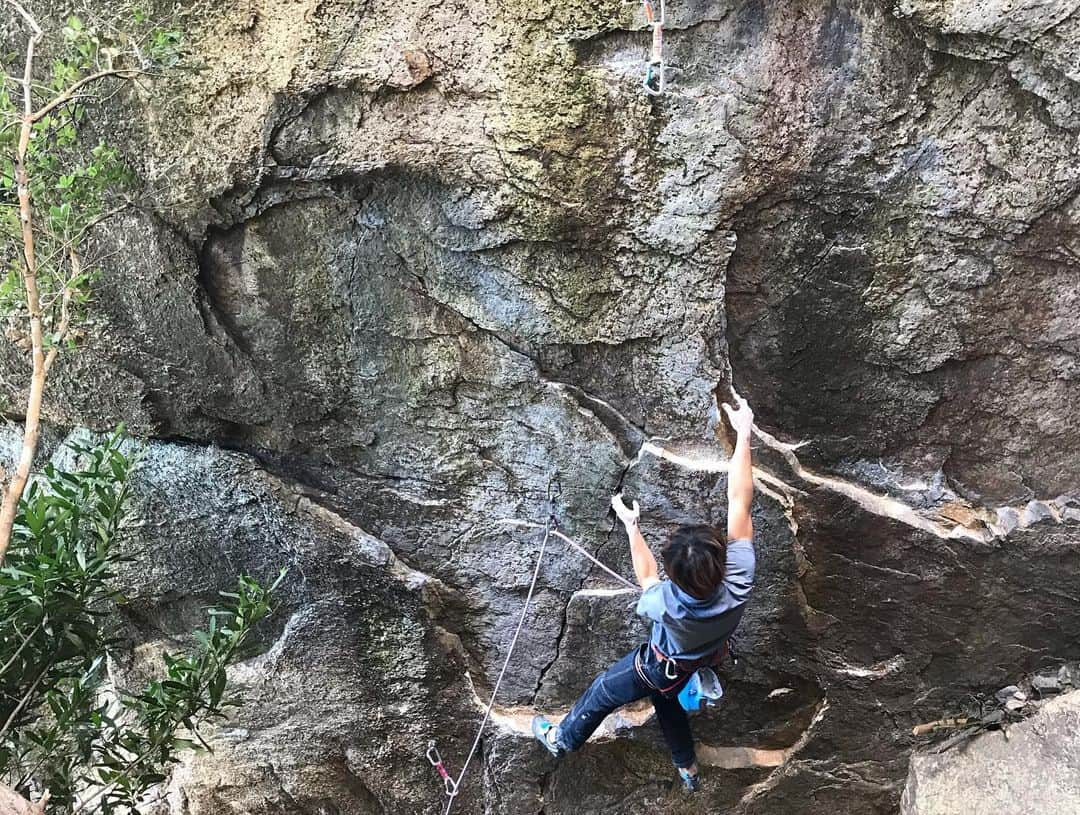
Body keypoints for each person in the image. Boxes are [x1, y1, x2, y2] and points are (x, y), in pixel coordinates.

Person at [531, 394, 757, 792]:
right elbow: (739, 500)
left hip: (661, 665)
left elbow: (647, 576)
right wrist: (744, 434)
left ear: (677, 576)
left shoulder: (667, 604)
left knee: (606, 689)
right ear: (720, 554)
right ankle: (687, 767)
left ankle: (561, 739)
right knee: (666, 703)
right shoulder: (740, 575)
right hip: (702, 656)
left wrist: (632, 527)